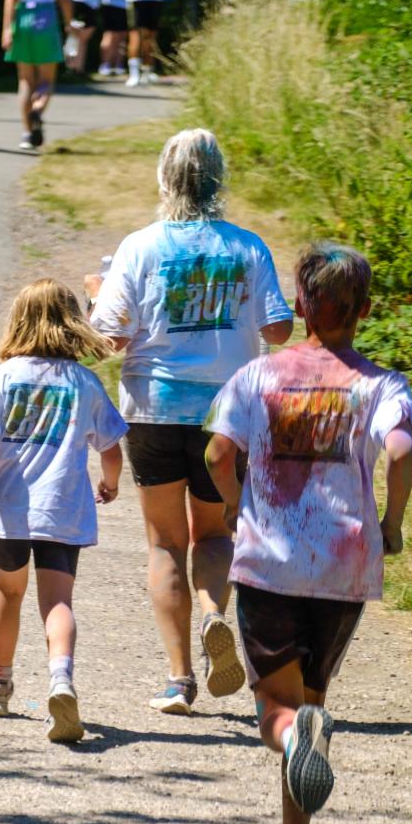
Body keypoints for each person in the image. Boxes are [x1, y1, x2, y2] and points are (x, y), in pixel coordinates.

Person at [204, 243, 412, 824]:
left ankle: (294, 750)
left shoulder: (257, 376)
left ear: (299, 306)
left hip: (270, 561)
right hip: (343, 566)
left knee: (280, 713)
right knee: (312, 706)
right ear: (366, 311)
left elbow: (217, 453)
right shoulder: (381, 384)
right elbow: (402, 450)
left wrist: (239, 507)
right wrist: (391, 523)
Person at [89, 129, 294, 715]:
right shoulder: (247, 247)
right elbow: (278, 331)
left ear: (163, 180)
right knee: (213, 534)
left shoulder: (140, 247)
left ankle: (179, 681)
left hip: (153, 408)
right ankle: (214, 615)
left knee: (163, 543)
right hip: (225, 415)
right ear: (219, 180)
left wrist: (96, 294)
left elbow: (110, 339)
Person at [0, 279, 127, 742]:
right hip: (63, 508)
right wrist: (110, 483)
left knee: (9, 591)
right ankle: (61, 680)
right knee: (57, 601)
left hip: (11, 507)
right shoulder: (84, 382)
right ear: (72, 323)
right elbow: (112, 448)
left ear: (19, 321)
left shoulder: (3, 377)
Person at [2, 0, 72, 151]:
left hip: (22, 17)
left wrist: (7, 28)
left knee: (25, 79)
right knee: (46, 80)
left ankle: (26, 133)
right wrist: (70, 22)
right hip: (47, 17)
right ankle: (38, 109)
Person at [97, 0, 129, 77]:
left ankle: (118, 65)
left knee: (122, 36)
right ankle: (105, 64)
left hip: (125, 5)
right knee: (110, 35)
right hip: (111, 4)